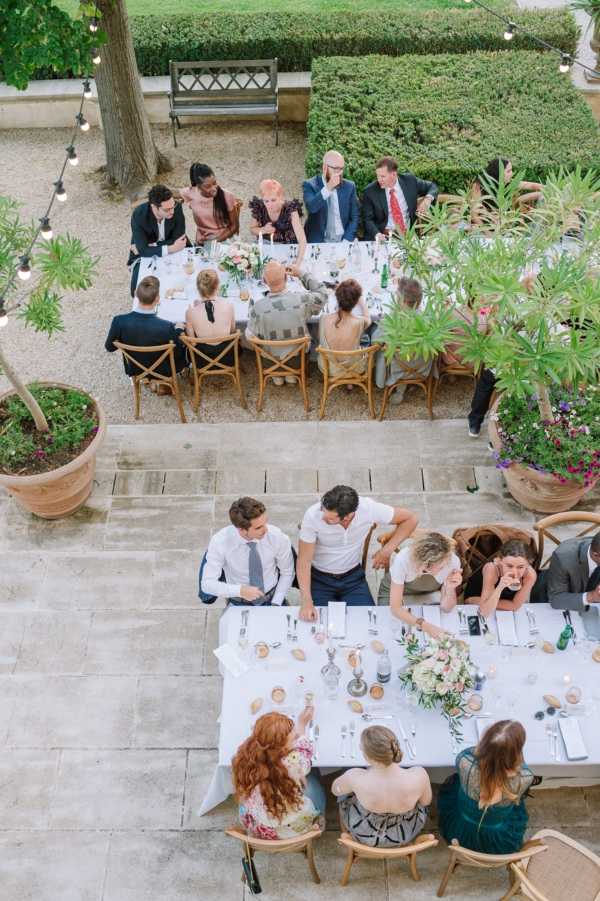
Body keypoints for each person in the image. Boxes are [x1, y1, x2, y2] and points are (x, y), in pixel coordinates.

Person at [297, 484, 418, 621]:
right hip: (320, 578)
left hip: (353, 578)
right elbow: (304, 561)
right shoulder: (313, 516)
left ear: (348, 516)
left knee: (370, 621)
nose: (324, 518)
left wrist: (386, 550)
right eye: (323, 511)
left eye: (330, 519)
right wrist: (306, 601)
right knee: (316, 624)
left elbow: (411, 518)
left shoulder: (368, 509)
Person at [438, 720, 535, 854]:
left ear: (484, 743)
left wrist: (488, 748)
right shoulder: (525, 778)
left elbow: (472, 753)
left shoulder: (465, 762)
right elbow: (516, 770)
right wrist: (513, 761)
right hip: (497, 833)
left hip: (462, 825)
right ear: (516, 752)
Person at [332, 725, 432, 848]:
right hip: (403, 833)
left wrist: (350, 778)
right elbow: (426, 802)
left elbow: (336, 790)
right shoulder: (419, 774)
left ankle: (348, 831)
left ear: (367, 757)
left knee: (344, 795)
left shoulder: (356, 777)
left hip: (364, 832)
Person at [233, 709, 325, 840]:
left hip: (258, 823)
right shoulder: (293, 763)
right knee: (316, 787)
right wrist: (302, 726)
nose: (295, 737)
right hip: (290, 830)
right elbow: (306, 751)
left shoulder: (245, 757)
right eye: (293, 738)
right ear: (282, 748)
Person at [199, 496, 294, 606]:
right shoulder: (220, 542)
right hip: (238, 601)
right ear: (241, 530)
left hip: (273, 597)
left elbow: (287, 572)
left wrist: (276, 602)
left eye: (265, 523)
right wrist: (240, 591)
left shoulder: (277, 537)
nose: (266, 530)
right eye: (258, 528)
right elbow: (207, 584)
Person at [246, 260, 327, 385]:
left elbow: (250, 336)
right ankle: (291, 374)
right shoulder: (301, 300)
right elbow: (323, 293)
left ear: (264, 281)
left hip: (270, 361)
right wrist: (301, 274)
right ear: (286, 278)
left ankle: (278, 375)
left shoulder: (257, 308)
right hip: (297, 359)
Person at [105, 275, 188, 388]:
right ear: (158, 299)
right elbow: (177, 353)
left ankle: (148, 381)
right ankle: (163, 384)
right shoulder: (166, 326)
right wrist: (178, 330)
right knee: (185, 343)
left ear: (135, 294)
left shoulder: (119, 321)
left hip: (135, 368)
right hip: (163, 370)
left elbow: (110, 347)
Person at [385, 532, 462, 640]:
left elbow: (446, 608)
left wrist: (450, 588)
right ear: (426, 563)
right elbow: (396, 608)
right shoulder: (403, 560)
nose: (445, 567)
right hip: (394, 591)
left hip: (428, 591)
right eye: (440, 567)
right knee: (390, 630)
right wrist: (426, 627)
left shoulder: (451, 561)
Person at [373, 277, 434, 404]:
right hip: (422, 368)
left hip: (398, 370)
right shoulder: (429, 319)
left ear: (402, 299)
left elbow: (376, 342)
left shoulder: (391, 321)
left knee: (379, 346)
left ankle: (393, 386)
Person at [127, 185, 188, 296]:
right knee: (136, 290)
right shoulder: (139, 215)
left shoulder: (176, 207)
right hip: (145, 257)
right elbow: (144, 252)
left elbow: (179, 238)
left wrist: (153, 245)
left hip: (176, 249)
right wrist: (170, 247)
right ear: (154, 207)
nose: (172, 211)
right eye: (167, 209)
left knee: (187, 280)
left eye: (173, 207)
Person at [362, 157, 438, 241]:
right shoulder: (370, 191)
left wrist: (427, 200)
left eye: (383, 176)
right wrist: (377, 234)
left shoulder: (410, 181)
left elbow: (432, 187)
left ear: (394, 174)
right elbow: (367, 219)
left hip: (409, 236)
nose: (379, 180)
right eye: (377, 176)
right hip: (385, 236)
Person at [464, 540, 538, 616]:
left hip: (489, 600)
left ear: (528, 565)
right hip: (477, 595)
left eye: (520, 567)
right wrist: (500, 587)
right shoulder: (492, 569)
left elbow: (515, 606)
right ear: (499, 561)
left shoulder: (530, 576)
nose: (514, 573)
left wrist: (486, 603)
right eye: (509, 566)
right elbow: (484, 612)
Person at [318, 279, 371, 381]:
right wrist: (362, 302)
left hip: (329, 368)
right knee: (365, 339)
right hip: (356, 369)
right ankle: (349, 376)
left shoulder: (323, 319)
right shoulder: (359, 322)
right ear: (355, 302)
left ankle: (342, 372)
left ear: (337, 298)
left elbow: (321, 340)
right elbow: (368, 319)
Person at [303, 150, 360, 243]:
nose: (339, 173)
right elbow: (311, 208)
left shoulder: (349, 187)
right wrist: (328, 188)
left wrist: (346, 240)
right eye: (335, 169)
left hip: (343, 239)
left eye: (341, 169)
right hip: (319, 241)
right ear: (325, 167)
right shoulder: (310, 185)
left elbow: (355, 217)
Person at [179, 163, 240, 245]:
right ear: (198, 186)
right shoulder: (191, 193)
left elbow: (234, 226)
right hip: (202, 240)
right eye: (208, 186)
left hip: (225, 239)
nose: (214, 188)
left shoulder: (227, 196)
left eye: (214, 183)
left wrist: (214, 242)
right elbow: (170, 193)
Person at [470, 157, 543, 226]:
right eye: (508, 171)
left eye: (511, 170)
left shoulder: (506, 182)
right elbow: (475, 214)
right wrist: (487, 233)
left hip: (502, 224)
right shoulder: (479, 185)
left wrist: (550, 188)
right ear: (499, 173)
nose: (512, 173)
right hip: (481, 226)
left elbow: (531, 186)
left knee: (539, 194)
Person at [185, 269, 236, 366]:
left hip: (202, 360)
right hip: (228, 356)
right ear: (217, 286)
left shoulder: (190, 312)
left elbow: (192, 343)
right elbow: (232, 332)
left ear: (198, 288)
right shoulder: (229, 306)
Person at [249, 179, 307, 264]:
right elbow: (252, 229)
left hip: (286, 247)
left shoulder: (290, 210)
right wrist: (264, 230)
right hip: (266, 245)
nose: (270, 205)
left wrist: (297, 262)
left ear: (281, 197)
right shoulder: (260, 207)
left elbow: (302, 240)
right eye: (266, 201)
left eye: (273, 200)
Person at [542, 533, 600, 611]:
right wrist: (591, 596)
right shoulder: (563, 558)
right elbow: (556, 599)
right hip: (559, 604)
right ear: (596, 555)